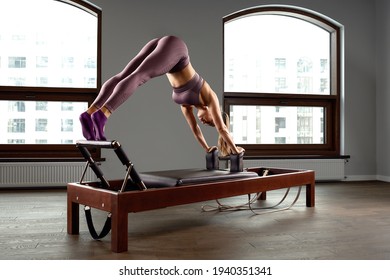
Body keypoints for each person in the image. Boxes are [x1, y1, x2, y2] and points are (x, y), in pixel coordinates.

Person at [79, 35, 244, 156]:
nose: (205, 121)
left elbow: (195, 130)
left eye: (207, 124)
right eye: (210, 121)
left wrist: (207, 148)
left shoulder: (187, 106)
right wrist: (235, 150)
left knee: (124, 75)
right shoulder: (210, 97)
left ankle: (89, 114)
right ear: (213, 112)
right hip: (176, 49)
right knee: (139, 76)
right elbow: (222, 128)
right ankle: (103, 115)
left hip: (164, 45)